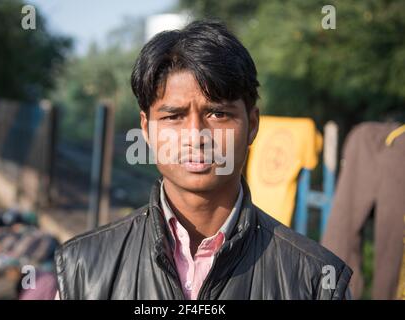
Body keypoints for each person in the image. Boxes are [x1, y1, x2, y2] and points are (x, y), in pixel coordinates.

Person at [54, 20, 352, 300]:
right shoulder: (82, 268)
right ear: (146, 129)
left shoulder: (316, 280)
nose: (196, 136)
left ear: (253, 124)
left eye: (218, 114)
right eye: (173, 116)